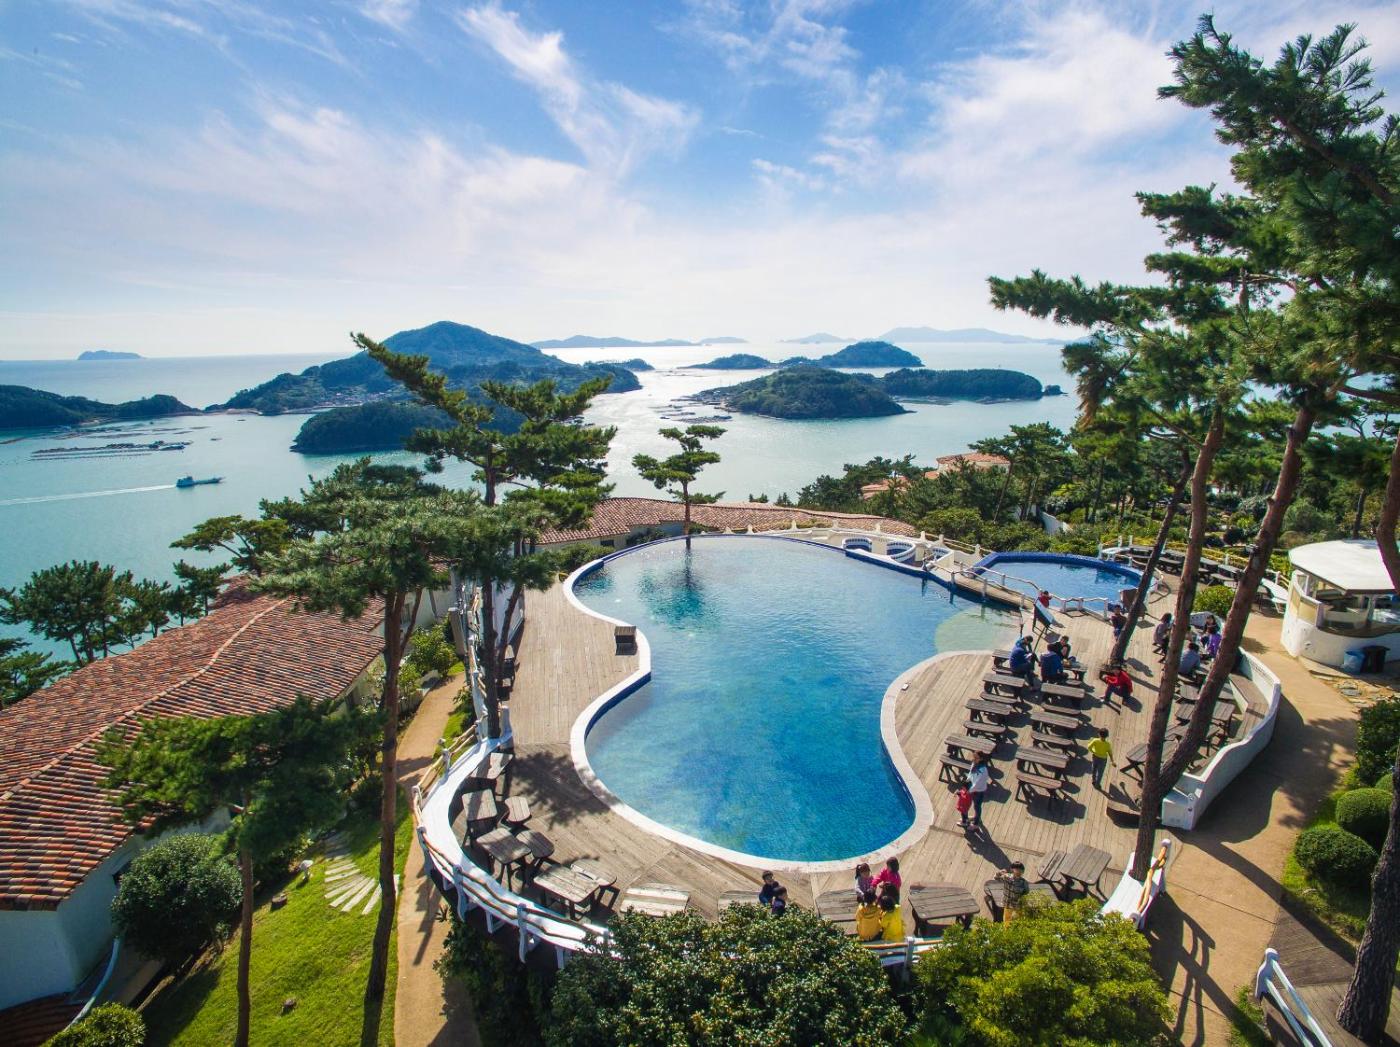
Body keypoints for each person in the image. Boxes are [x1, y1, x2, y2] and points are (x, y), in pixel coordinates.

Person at [967, 753, 990, 827]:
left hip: (979, 790)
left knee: (977, 806)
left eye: (976, 758)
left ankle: (976, 823)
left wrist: (970, 790)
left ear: (981, 759)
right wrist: (967, 781)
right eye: (974, 757)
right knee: (975, 805)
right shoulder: (974, 764)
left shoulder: (982, 769)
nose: (973, 759)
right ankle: (976, 817)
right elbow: (970, 773)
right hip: (973, 788)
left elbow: (978, 783)